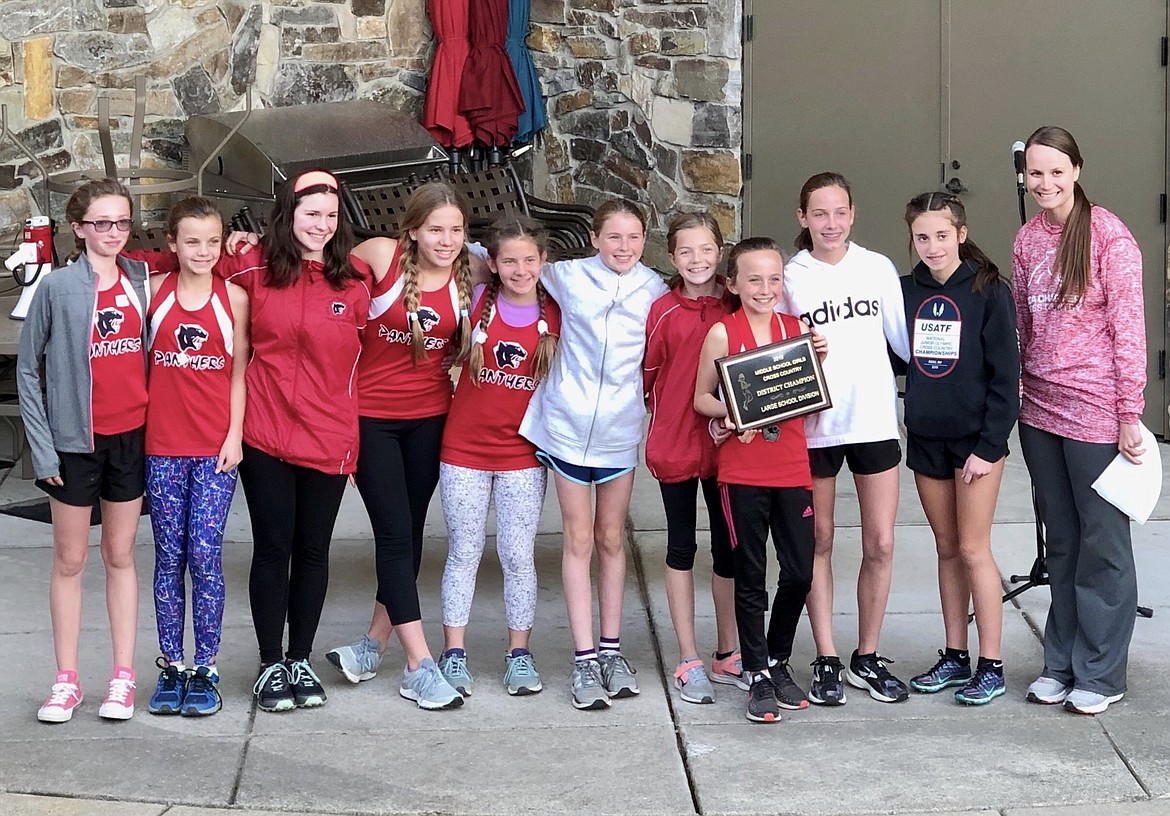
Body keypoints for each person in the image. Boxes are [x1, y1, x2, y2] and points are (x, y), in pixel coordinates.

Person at [221, 169, 372, 712]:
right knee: (272, 547)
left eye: (331, 216)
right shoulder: (252, 266)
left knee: (313, 550)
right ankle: (269, 664)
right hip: (264, 432)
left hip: (329, 433)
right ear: (289, 214)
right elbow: (187, 258)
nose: (322, 225)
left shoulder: (356, 278)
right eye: (311, 214)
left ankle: (300, 658)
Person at [325, 181, 473, 711]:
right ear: (412, 229)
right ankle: (419, 664)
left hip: (431, 420)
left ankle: (373, 645)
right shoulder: (382, 255)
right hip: (370, 419)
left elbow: (530, 275)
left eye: (456, 230)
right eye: (436, 229)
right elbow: (316, 264)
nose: (447, 239)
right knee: (393, 534)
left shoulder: (469, 274)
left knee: (408, 534)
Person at [1014, 126, 1146, 716]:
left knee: (1103, 545)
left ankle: (1101, 671)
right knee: (1062, 543)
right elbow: (1021, 323)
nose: (1045, 183)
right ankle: (1060, 663)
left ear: (1077, 171)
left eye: (1056, 172)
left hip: (1095, 413)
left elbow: (1129, 328)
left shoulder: (1109, 236)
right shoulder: (1026, 239)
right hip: (1039, 412)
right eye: (1035, 173)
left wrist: (1129, 414)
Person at [519, 200, 668, 710]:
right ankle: (583, 659)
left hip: (620, 432)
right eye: (613, 237)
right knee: (578, 538)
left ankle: (611, 651)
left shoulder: (656, 288)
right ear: (595, 239)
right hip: (566, 425)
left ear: (643, 240)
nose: (623, 247)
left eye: (632, 238)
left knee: (610, 538)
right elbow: (498, 257)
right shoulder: (566, 276)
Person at [19, 178, 150, 723]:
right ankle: (66, 680)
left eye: (121, 222)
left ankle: (122, 678)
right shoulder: (56, 288)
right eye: (102, 223)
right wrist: (43, 452)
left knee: (119, 555)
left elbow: (198, 256)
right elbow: (29, 372)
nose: (113, 233)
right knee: (70, 559)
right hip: (74, 444)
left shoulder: (142, 278)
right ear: (78, 228)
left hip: (132, 439)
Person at [780, 171, 911, 705]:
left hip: (874, 420)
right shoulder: (790, 276)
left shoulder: (877, 268)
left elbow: (907, 344)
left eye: (840, 212)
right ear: (802, 218)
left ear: (853, 215)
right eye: (820, 213)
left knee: (880, 541)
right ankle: (828, 656)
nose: (830, 223)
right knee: (821, 542)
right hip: (815, 427)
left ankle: (867, 655)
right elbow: (773, 351)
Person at [693, 237, 826, 723]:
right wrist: (730, 412)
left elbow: (805, 391)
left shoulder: (796, 331)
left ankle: (776, 656)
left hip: (792, 467)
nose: (765, 288)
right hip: (742, 471)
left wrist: (818, 362)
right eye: (753, 279)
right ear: (733, 283)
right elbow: (700, 398)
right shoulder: (724, 335)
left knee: (799, 571)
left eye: (774, 278)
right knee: (750, 574)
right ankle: (756, 673)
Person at [900, 192, 1019, 706]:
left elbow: (1007, 377)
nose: (933, 246)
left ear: (961, 234)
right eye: (922, 237)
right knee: (946, 549)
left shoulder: (989, 290)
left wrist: (990, 446)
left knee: (974, 549)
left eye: (942, 235)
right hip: (927, 438)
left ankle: (991, 663)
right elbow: (887, 355)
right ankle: (955, 655)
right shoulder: (905, 291)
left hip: (976, 443)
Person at [436, 215, 561, 697]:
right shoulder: (474, 300)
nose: (520, 269)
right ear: (493, 263)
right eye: (508, 260)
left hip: (522, 456)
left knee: (516, 553)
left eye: (530, 260)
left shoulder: (556, 314)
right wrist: (479, 256)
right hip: (463, 450)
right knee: (464, 551)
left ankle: (519, 654)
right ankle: (454, 652)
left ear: (544, 263)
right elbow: (451, 254)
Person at [138, 197, 248, 717]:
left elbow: (239, 373)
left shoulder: (234, 298)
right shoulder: (155, 293)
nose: (202, 250)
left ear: (222, 242)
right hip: (161, 446)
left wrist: (235, 435)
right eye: (191, 241)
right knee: (168, 556)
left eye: (211, 240)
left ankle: (205, 665)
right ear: (172, 244)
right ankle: (172, 665)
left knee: (204, 554)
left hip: (213, 450)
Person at [643, 212, 740, 704]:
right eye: (686, 251)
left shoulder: (738, 301)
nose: (697, 260)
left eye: (706, 250)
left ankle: (729, 650)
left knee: (729, 550)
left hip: (729, 449)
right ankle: (687, 656)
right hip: (677, 445)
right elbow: (649, 379)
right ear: (672, 256)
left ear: (720, 250)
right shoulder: (661, 311)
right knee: (682, 548)